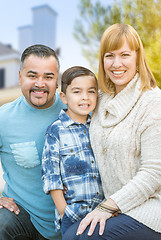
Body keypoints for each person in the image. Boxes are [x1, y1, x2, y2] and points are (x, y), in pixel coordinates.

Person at [63, 23, 161, 239]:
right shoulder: (101, 99)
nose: (116, 64)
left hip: (154, 209)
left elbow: (154, 172)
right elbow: (72, 111)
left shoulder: (152, 102)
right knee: (68, 233)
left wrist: (108, 207)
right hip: (117, 207)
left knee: (82, 238)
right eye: (109, 56)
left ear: (137, 57)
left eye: (124, 55)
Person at [0, 44, 65, 240]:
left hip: (72, 217)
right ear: (20, 77)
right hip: (25, 217)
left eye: (48, 77)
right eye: (32, 76)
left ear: (57, 80)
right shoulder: (1, 120)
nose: (40, 83)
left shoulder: (74, 109)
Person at [41, 66, 104, 238]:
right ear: (64, 97)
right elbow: (51, 177)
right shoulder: (56, 131)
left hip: (103, 214)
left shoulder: (99, 127)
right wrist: (64, 213)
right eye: (77, 92)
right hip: (74, 215)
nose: (85, 97)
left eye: (91, 91)